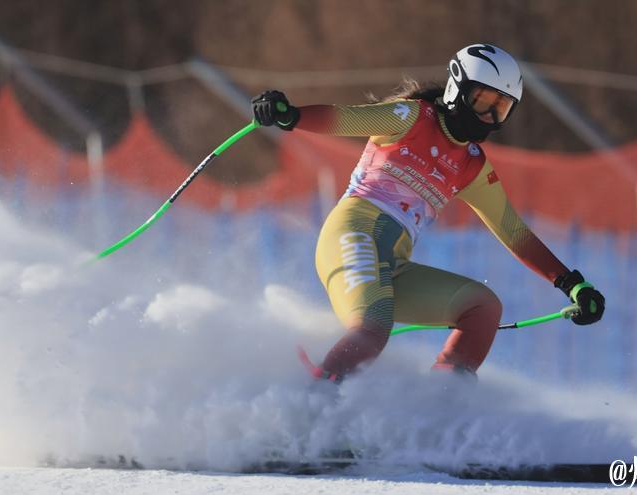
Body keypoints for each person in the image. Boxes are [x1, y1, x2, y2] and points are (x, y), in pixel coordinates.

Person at [252, 43, 605, 382]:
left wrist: (571, 283)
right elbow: (345, 119)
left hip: (393, 265)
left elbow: (513, 232)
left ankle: (443, 395)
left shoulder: (472, 165)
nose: (487, 116)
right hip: (353, 235)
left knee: (482, 309)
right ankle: (311, 404)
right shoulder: (411, 118)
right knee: (373, 329)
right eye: (482, 101)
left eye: (500, 108)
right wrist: (290, 115)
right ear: (456, 89)